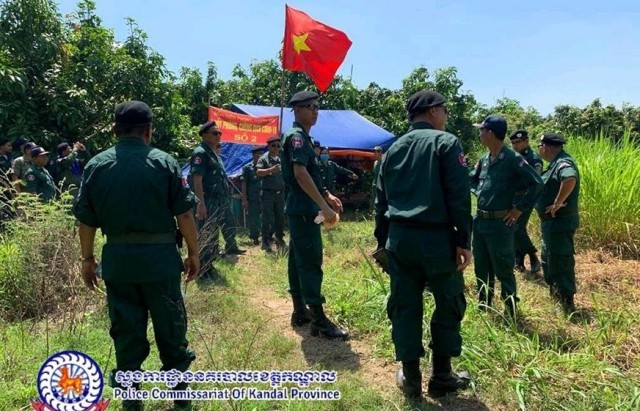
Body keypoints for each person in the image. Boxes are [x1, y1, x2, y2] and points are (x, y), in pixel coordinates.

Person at [73, 101, 199, 411]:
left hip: (119, 264)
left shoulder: (96, 166)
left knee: (126, 333)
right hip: (160, 263)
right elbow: (184, 216)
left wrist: (87, 259)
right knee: (171, 328)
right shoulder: (165, 163)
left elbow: (86, 221)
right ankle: (180, 398)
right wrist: (194, 253)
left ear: (115, 130)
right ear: (149, 131)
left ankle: (132, 402)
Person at [374, 90, 472, 399]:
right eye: (444, 109)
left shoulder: (392, 150)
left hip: (400, 240)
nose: (446, 116)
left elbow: (381, 202)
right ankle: (441, 375)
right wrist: (463, 242)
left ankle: (412, 379)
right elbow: (459, 196)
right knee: (448, 301)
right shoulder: (446, 143)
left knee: (405, 305)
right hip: (437, 239)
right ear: (431, 111)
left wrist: (382, 243)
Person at [281, 90, 347, 339]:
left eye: (317, 106)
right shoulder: (297, 137)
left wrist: (327, 194)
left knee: (297, 259)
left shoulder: (304, 138)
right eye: (309, 107)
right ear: (296, 110)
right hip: (304, 208)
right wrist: (324, 206)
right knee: (310, 261)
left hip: (301, 207)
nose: (315, 111)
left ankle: (300, 311)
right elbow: (300, 174)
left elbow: (311, 173)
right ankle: (318, 319)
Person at [470, 116, 543, 317]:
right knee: (481, 268)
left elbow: (536, 183)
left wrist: (519, 208)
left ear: (491, 133)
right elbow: (472, 180)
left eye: (482, 130)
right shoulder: (484, 160)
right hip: (481, 221)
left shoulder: (513, 159)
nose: (480, 134)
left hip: (500, 224)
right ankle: (484, 306)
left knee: (503, 268)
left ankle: (510, 310)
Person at [189, 121, 245, 285]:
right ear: (205, 135)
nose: (218, 135)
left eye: (219, 133)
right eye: (215, 133)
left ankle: (209, 265)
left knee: (216, 234)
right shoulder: (201, 153)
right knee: (207, 234)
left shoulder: (214, 153)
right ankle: (202, 271)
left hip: (220, 200)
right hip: (208, 200)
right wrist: (201, 203)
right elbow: (197, 180)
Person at [535, 133, 580, 313]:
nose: (539, 149)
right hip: (551, 224)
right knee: (549, 257)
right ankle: (556, 294)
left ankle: (566, 300)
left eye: (540, 145)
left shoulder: (563, 163)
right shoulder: (554, 165)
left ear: (546, 147)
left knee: (561, 260)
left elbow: (569, 178)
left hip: (560, 222)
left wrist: (557, 203)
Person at [509, 130, 543, 273]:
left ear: (526, 141)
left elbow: (536, 181)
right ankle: (519, 261)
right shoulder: (515, 157)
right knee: (514, 228)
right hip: (513, 196)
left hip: (526, 197)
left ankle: (533, 256)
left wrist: (525, 201)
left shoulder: (533, 158)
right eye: (513, 143)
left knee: (516, 228)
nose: (515, 145)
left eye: (518, 142)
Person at [256, 136, 286, 252]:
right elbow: (258, 172)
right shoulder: (264, 159)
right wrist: (270, 170)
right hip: (268, 193)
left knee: (280, 217)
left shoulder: (280, 159)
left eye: (278, 145)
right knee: (267, 217)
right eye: (273, 145)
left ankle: (279, 238)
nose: (276, 148)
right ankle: (265, 240)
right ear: (268, 146)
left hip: (280, 193)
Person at [242, 145, 264, 245]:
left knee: (267, 217)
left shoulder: (265, 167)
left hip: (264, 196)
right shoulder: (248, 168)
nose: (260, 156)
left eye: (262, 154)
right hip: (253, 197)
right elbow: (244, 184)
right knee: (254, 218)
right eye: (258, 154)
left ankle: (267, 236)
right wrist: (244, 199)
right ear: (254, 155)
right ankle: (255, 237)